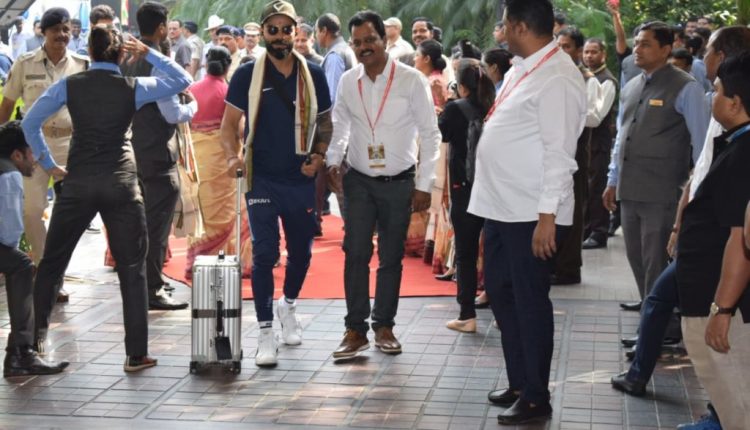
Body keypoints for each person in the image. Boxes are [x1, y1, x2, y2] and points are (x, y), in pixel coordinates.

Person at [21, 24, 192, 372]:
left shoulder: (70, 85)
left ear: (91, 52)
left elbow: (29, 123)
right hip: (122, 184)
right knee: (132, 268)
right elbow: (182, 80)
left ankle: (33, 345)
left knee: (52, 263)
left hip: (78, 182)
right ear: (122, 55)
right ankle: (136, 354)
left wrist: (49, 164)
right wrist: (150, 53)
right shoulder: (134, 86)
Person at [470, 0, 586, 424]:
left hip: (532, 213)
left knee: (529, 302)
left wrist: (547, 217)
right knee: (501, 294)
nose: (500, 32)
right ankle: (520, 382)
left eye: (504, 25)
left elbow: (560, 154)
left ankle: (536, 395)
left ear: (520, 26)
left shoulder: (558, 77)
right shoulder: (522, 68)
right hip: (502, 207)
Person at [221, 0, 332, 367]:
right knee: (265, 254)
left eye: (287, 30)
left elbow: (326, 124)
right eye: (273, 30)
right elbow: (227, 127)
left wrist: (319, 156)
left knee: (301, 253)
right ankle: (265, 331)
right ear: (263, 32)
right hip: (262, 179)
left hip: (300, 180)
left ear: (296, 32)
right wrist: (233, 156)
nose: (281, 36)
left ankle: (288, 305)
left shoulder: (313, 74)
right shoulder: (246, 75)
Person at [326, 10, 441, 360]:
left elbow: (430, 134)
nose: (363, 47)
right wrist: (333, 160)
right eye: (357, 42)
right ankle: (355, 329)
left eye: (370, 40)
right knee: (355, 253)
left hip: (399, 182)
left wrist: (424, 183)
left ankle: (384, 326)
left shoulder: (410, 80)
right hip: (359, 180)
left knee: (391, 257)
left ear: (384, 39)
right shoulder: (349, 81)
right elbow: (341, 124)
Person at [603, 21, 710, 313]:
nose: (637, 49)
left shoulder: (686, 87)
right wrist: (612, 179)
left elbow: (702, 144)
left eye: (646, 44)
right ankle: (650, 310)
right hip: (629, 188)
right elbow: (621, 137)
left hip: (662, 192)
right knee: (636, 256)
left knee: (656, 260)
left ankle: (659, 323)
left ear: (666, 49)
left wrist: (695, 192)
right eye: (636, 43)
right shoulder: (632, 85)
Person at [677, 52, 750, 430]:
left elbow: (741, 240)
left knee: (738, 404)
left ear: (736, 103)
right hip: (713, 298)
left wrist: (722, 311)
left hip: (725, 307)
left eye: (717, 91)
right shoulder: (736, 145)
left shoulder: (743, 156)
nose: (711, 97)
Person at [0, 8, 90, 303]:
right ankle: (41, 265)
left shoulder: (82, 65)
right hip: (32, 147)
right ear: (44, 32)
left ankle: (54, 276)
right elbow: (7, 105)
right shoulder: (25, 63)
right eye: (56, 30)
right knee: (31, 211)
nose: (62, 35)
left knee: (69, 217)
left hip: (70, 146)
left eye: (66, 29)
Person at [120, 1, 196, 311]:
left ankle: (149, 282)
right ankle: (152, 288)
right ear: (162, 28)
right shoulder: (158, 63)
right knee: (156, 225)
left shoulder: (127, 61)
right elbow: (173, 113)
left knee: (143, 222)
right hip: (157, 153)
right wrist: (193, 105)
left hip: (135, 149)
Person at [0, 121, 69, 377]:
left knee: (16, 262)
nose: (37, 160)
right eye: (33, 153)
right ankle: (22, 354)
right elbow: (9, 234)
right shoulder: (9, 174)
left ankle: (20, 353)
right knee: (20, 265)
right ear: (17, 155)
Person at [186, 46, 252, 278]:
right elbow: (239, 129)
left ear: (205, 63)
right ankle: (230, 259)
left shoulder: (191, 89)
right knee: (229, 209)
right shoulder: (229, 91)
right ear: (228, 66)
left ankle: (200, 262)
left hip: (197, 157)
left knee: (203, 210)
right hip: (223, 159)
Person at [439, 59, 494, 333]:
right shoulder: (495, 106)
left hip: (464, 187)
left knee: (466, 253)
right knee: (496, 251)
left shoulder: (454, 109)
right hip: (495, 188)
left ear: (461, 86)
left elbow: (444, 134)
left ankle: (467, 315)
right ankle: (502, 312)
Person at [581, 38, 618, 250]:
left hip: (598, 142)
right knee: (586, 188)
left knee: (597, 188)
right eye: (586, 52)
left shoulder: (607, 80)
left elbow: (597, 116)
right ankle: (587, 229)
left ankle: (598, 231)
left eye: (594, 52)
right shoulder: (586, 77)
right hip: (587, 143)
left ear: (603, 54)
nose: (589, 56)